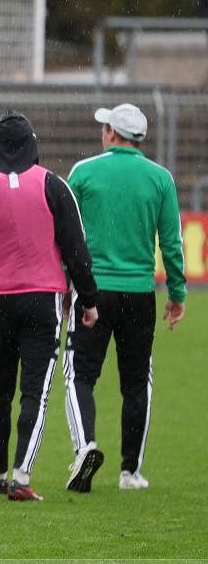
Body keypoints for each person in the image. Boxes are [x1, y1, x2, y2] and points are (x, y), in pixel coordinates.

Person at [0, 111, 99, 502]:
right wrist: (88, 301)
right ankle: (21, 476)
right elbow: (76, 249)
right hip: (42, 300)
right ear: (32, 143)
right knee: (34, 392)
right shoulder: (53, 186)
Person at [63, 103, 187, 492]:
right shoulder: (160, 179)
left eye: (105, 128)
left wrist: (67, 288)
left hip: (93, 293)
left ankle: (86, 447)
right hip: (138, 293)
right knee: (136, 383)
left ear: (113, 134)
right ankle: (130, 472)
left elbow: (69, 238)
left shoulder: (83, 173)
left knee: (81, 375)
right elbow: (171, 241)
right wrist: (178, 293)